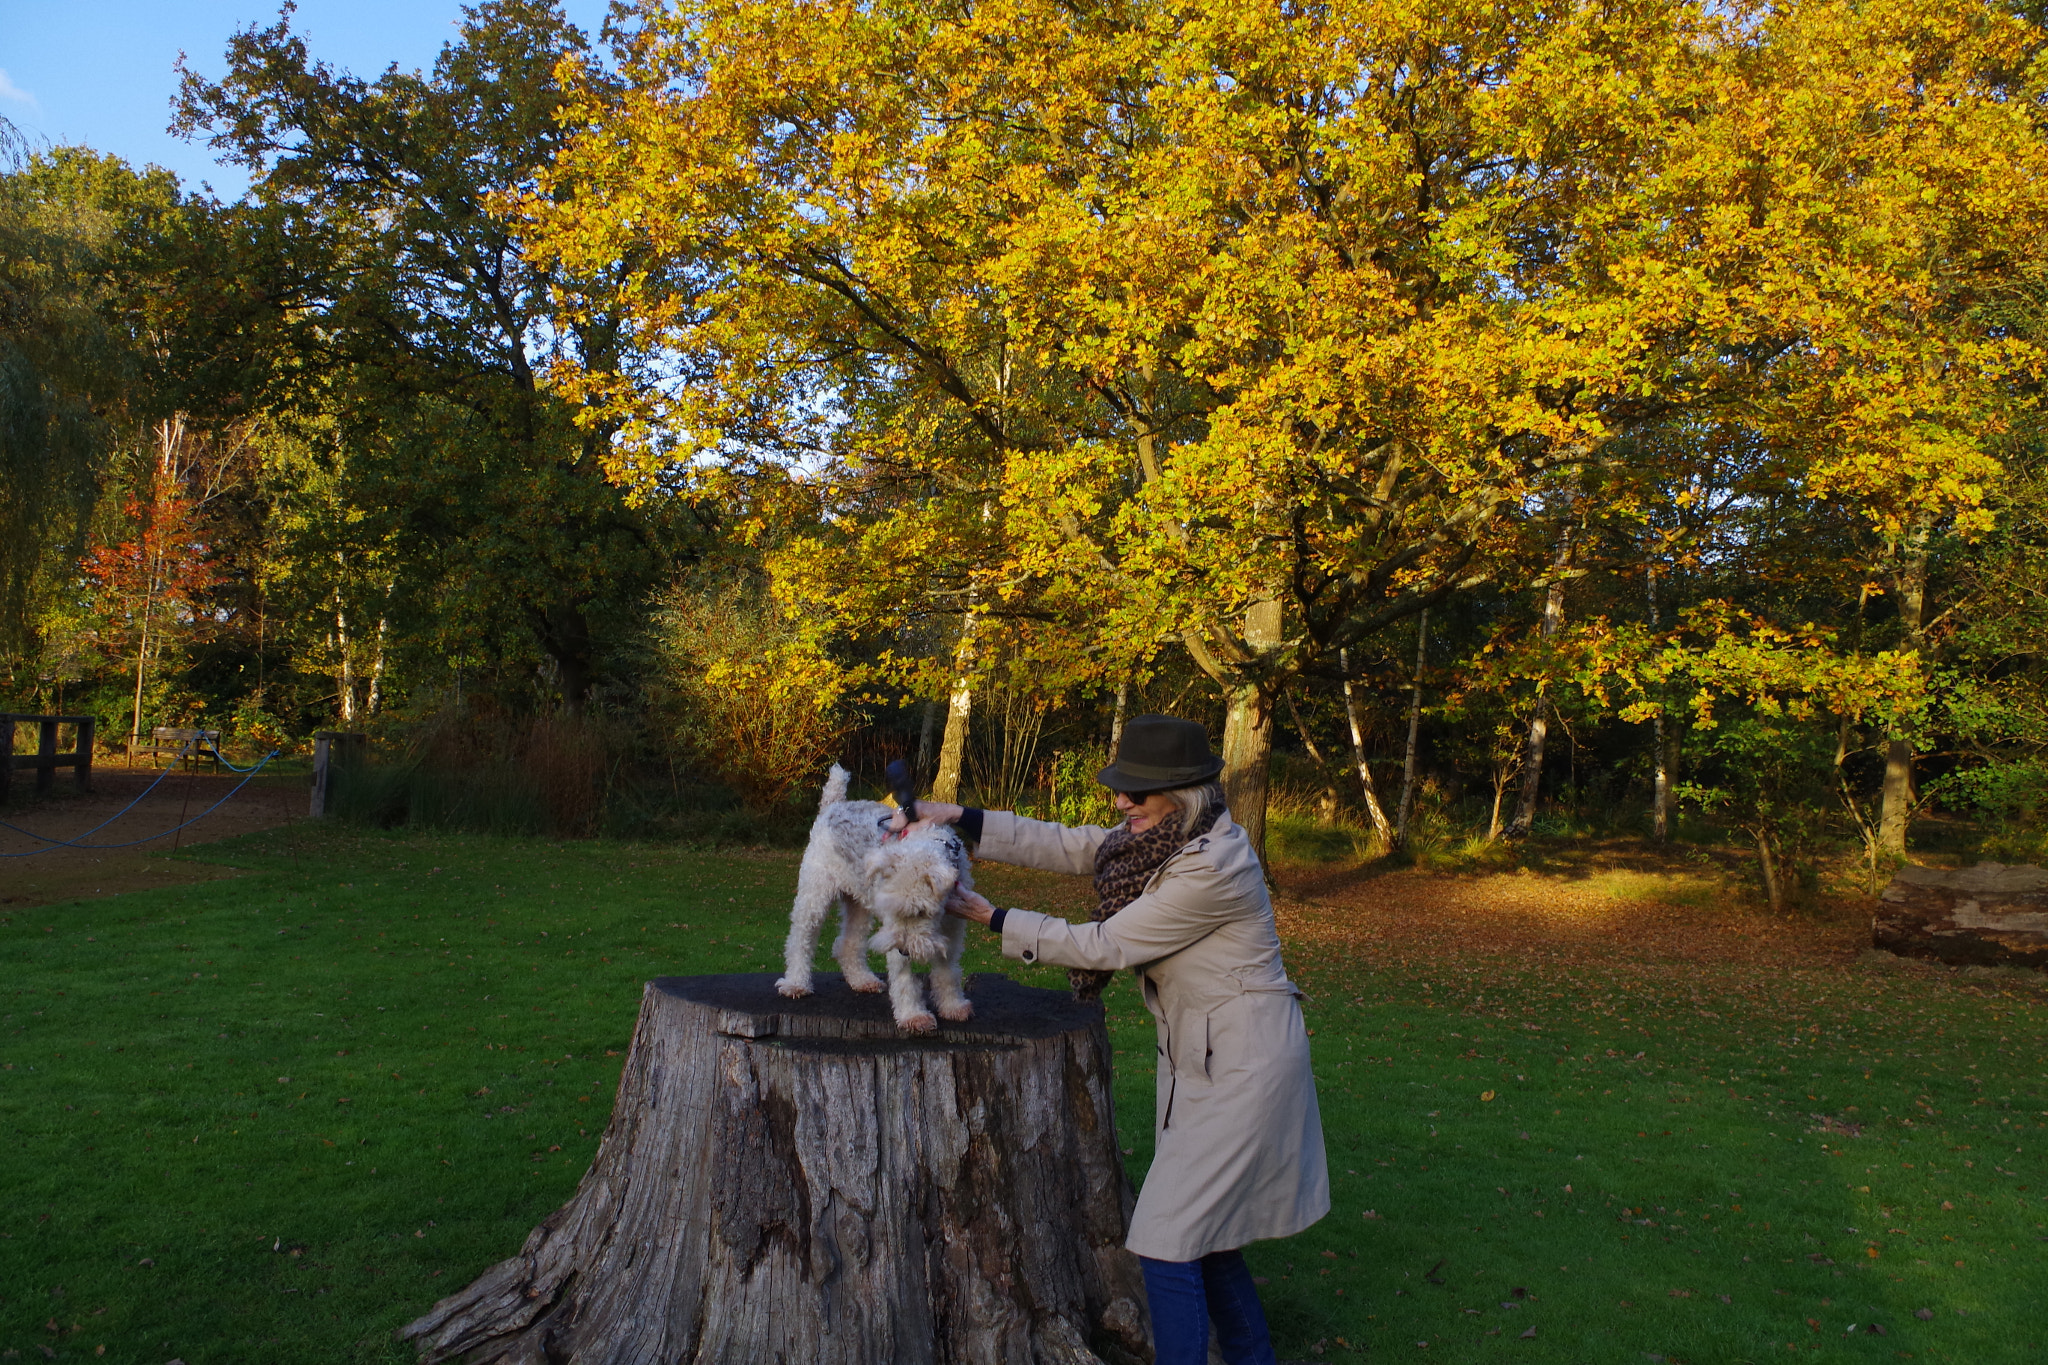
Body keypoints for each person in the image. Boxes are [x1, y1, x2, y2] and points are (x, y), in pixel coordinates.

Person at [894, 714, 1328, 1365]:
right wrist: (957, 814)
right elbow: (1073, 845)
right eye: (1121, 788)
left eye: (1136, 792)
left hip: (1244, 1068)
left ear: (1180, 794)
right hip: (1211, 1060)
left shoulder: (1213, 867)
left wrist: (993, 917)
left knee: (1167, 1236)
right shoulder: (1167, 839)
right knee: (1208, 1240)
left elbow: (1108, 944)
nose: (1121, 802)